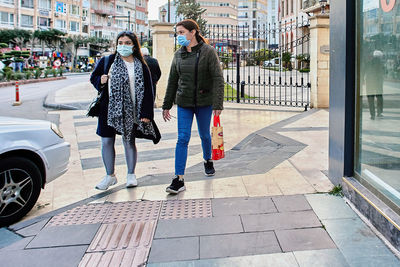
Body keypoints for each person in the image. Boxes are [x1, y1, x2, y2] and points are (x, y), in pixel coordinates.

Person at [90, 31, 160, 190]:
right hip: (109, 109)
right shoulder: (108, 61)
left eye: (127, 43)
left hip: (132, 110)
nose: (123, 46)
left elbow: (149, 90)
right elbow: (94, 77)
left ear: (134, 45)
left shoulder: (141, 65)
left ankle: (131, 174)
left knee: (129, 140)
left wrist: (146, 113)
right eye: (120, 42)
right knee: (107, 141)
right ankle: (110, 176)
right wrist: (99, 81)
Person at [162, 19, 224, 194]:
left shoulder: (208, 52)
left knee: (205, 135)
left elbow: (218, 79)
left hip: (204, 102)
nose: (179, 36)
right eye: (177, 33)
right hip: (184, 102)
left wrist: (218, 103)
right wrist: (166, 104)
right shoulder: (178, 55)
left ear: (193, 32)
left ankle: (207, 159)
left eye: (181, 32)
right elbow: (172, 80)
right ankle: (178, 179)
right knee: (183, 138)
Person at [365, 50, 384, 120]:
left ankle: (372, 114)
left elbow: (365, 71)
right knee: (379, 97)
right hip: (378, 82)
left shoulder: (368, 62)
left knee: (370, 98)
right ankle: (379, 112)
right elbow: (384, 72)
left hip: (369, 82)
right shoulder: (381, 64)